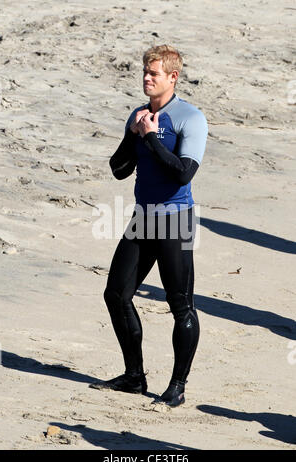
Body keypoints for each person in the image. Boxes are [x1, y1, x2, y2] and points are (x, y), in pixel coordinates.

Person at [89, 45, 208, 407]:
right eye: (144, 71)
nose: (146, 78)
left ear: (172, 77)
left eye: (153, 73)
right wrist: (135, 134)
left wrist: (153, 139)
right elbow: (119, 169)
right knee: (115, 294)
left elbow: (183, 173)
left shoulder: (191, 118)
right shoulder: (139, 115)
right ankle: (135, 376)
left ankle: (178, 385)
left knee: (181, 305)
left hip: (175, 220)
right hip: (143, 219)